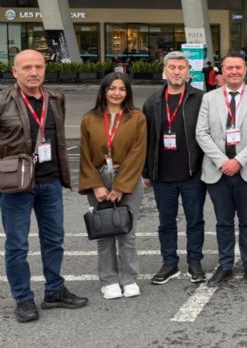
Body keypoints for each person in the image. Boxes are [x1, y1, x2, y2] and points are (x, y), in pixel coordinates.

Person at [0, 49, 88, 323]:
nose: (34, 72)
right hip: (16, 184)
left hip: (50, 181)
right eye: (27, 67)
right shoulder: (3, 100)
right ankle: (23, 298)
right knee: (17, 245)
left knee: (54, 240)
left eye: (38, 66)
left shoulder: (56, 98)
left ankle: (54, 291)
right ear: (15, 72)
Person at [195, 53, 247, 287]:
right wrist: (222, 162)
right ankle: (225, 265)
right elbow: (201, 133)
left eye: (238, 67)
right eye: (230, 68)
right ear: (222, 71)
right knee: (223, 222)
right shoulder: (209, 98)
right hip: (217, 171)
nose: (234, 71)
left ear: (245, 70)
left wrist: (238, 161)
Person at [79, 72, 147, 300]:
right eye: (112, 88)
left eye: (122, 89)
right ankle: (108, 280)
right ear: (104, 90)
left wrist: (120, 187)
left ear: (128, 92)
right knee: (104, 233)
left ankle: (128, 278)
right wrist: (96, 186)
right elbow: (85, 155)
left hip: (128, 178)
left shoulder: (137, 118)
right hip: (99, 178)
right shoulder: (90, 118)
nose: (117, 93)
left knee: (127, 232)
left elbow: (138, 153)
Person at [142, 51, 207, 285]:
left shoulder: (201, 99)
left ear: (189, 72)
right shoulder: (152, 102)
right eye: (172, 67)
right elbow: (146, 139)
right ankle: (169, 263)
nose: (177, 72)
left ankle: (195, 262)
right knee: (166, 222)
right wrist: (146, 171)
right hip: (162, 173)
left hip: (193, 173)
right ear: (165, 71)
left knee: (195, 221)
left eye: (181, 68)